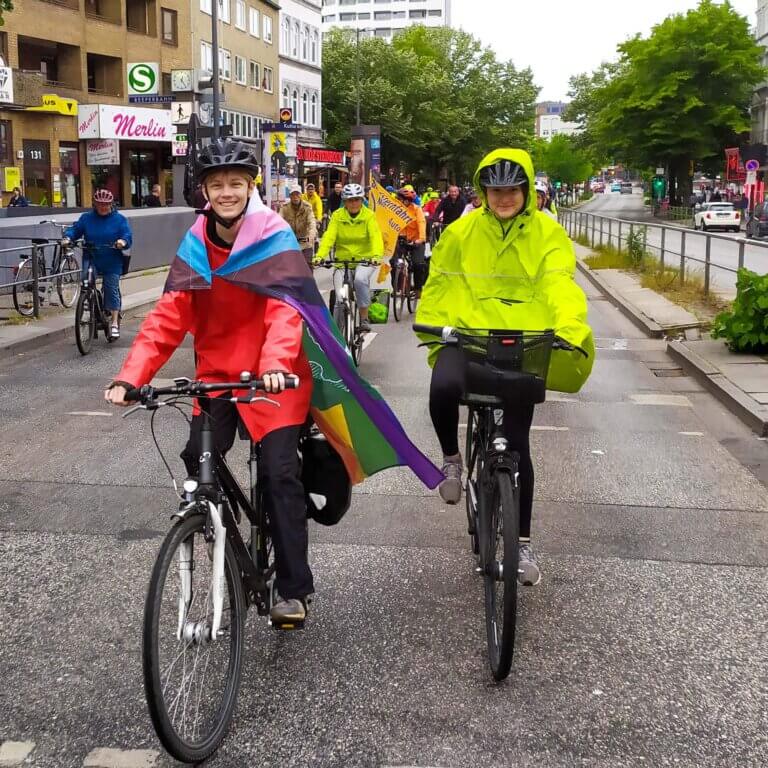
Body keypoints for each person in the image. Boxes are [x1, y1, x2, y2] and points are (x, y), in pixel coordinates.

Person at [103, 139, 314, 624]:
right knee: (196, 463)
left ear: (249, 187)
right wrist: (131, 377)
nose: (226, 192)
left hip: (274, 376)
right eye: (217, 184)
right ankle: (220, 523)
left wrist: (276, 364)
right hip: (218, 375)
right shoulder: (196, 241)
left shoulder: (274, 234)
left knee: (281, 473)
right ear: (204, 191)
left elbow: (285, 309)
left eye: (235, 183)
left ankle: (293, 588)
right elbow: (168, 316)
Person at [414, 149, 594, 586]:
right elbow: (440, 280)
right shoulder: (461, 232)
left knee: (518, 445)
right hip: (469, 335)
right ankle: (453, 460)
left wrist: (569, 327)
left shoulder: (548, 234)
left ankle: (524, 546)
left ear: (526, 191)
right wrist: (433, 323)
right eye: (496, 190)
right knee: (442, 388)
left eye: (512, 189)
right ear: (484, 192)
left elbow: (558, 282)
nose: (504, 198)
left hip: (521, 343)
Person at [63, 189, 132, 339]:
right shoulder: (87, 218)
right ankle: (88, 302)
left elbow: (127, 235)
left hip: (111, 259)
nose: (103, 207)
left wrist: (122, 241)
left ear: (111, 204)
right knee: (86, 282)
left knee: (111, 287)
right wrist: (68, 238)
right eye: (100, 204)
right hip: (92, 257)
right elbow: (75, 230)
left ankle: (114, 322)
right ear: (95, 204)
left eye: (106, 204)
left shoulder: (119, 219)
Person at [314, 183, 383, 332]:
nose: (353, 203)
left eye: (356, 200)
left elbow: (375, 237)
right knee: (340, 298)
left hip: (364, 260)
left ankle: (364, 317)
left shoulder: (369, 216)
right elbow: (329, 237)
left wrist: (376, 256)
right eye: (350, 200)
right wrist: (319, 256)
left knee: (359, 280)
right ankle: (338, 336)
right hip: (342, 261)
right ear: (344, 201)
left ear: (361, 200)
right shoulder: (338, 216)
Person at [396, 186, 428, 297]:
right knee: (394, 263)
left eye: (401, 199)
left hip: (416, 241)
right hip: (401, 240)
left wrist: (421, 239)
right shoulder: (396, 209)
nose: (400, 201)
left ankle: (418, 289)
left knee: (417, 264)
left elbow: (421, 223)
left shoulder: (416, 209)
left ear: (407, 200)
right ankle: (398, 287)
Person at [280, 184, 317, 266]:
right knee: (287, 267)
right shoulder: (284, 208)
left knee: (307, 266)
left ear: (301, 195)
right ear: (290, 196)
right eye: (293, 194)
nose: (295, 197)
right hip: (290, 242)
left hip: (305, 241)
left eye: (297, 194)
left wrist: (312, 234)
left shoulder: (307, 207)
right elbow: (278, 222)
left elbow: (312, 222)